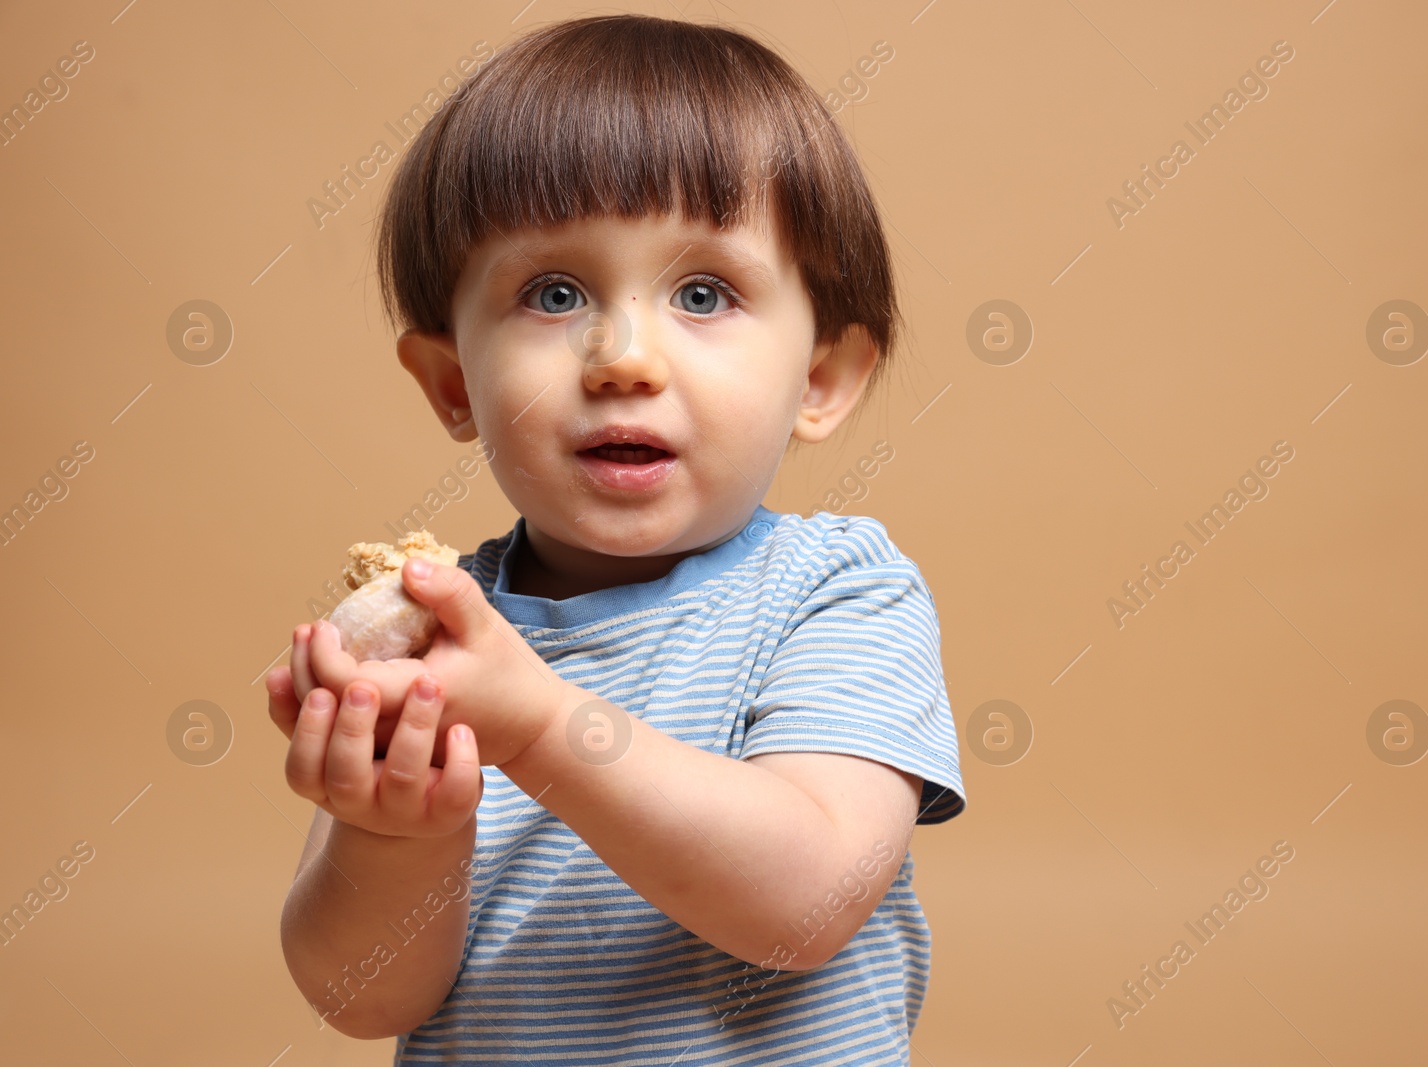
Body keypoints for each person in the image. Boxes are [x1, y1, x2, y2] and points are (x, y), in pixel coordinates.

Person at [264, 13, 966, 1065]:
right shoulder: (438, 637)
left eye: (702, 293)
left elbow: (805, 901)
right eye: (554, 294)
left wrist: (540, 727)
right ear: (454, 381)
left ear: (820, 377)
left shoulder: (841, 592)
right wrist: (393, 830)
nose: (622, 357)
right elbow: (362, 997)